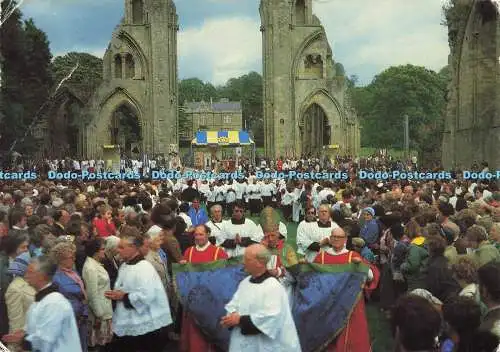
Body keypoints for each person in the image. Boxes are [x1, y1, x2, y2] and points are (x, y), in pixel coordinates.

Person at [220, 244, 301, 351]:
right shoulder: (245, 283)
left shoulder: (273, 286)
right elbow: (233, 306)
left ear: (260, 262)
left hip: (268, 346)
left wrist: (240, 320)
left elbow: (271, 319)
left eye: (247, 259)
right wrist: (229, 318)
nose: (243, 262)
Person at [105, 230, 173, 352]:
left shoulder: (144, 268)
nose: (118, 250)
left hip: (145, 327)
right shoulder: (125, 265)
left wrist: (123, 296)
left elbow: (147, 296)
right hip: (129, 320)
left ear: (133, 248)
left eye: (121, 247)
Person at [313, 227, 378, 351]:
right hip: (328, 305)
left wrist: (360, 266)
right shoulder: (321, 258)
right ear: (330, 239)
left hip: (349, 306)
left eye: (339, 237)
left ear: (345, 240)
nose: (336, 239)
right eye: (334, 237)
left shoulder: (353, 256)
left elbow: (370, 276)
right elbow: (313, 281)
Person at [2, 256, 82, 352]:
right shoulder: (41, 300)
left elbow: (45, 341)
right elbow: (39, 326)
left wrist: (23, 341)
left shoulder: (54, 303)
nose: (26, 275)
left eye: (30, 272)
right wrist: (24, 332)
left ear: (41, 276)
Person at [180, 224, 228, 352]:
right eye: (196, 234)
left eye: (201, 234)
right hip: (193, 303)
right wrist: (182, 269)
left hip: (211, 303)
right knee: (194, 337)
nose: (198, 237)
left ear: (208, 234)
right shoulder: (188, 252)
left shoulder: (218, 252)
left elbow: (225, 278)